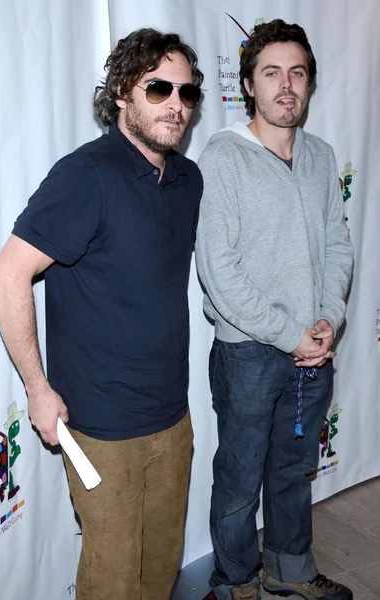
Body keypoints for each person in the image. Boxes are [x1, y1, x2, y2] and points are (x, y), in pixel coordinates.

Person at [0, 28, 203, 600]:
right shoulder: (87, 174)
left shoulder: (188, 180)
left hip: (172, 417)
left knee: (161, 569)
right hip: (101, 427)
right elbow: (7, 276)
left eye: (188, 92)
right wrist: (37, 387)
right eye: (159, 89)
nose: (176, 105)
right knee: (111, 582)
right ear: (123, 93)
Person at [195, 19, 353, 600]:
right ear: (247, 86)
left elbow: (338, 245)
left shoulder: (321, 155)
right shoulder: (223, 159)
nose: (286, 85)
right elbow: (219, 270)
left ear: (308, 84)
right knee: (238, 482)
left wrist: (328, 319)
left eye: (297, 73)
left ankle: (290, 575)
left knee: (293, 473)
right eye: (271, 73)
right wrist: (291, 333)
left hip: (314, 350)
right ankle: (235, 584)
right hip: (249, 356)